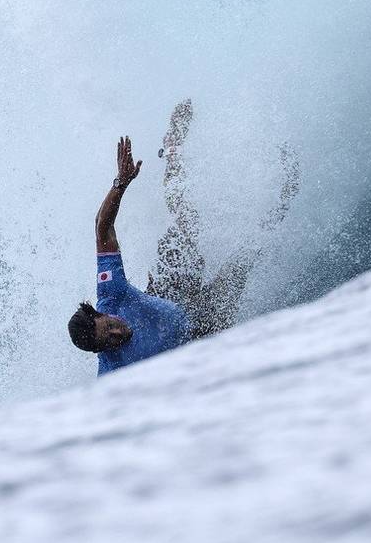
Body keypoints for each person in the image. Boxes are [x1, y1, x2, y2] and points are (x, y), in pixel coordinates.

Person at [67, 103, 300, 374]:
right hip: (200, 333)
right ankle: (283, 201)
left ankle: (173, 149)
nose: (118, 333)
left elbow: (101, 228)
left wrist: (121, 183)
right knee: (242, 264)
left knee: (185, 224)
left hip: (167, 294)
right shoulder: (113, 372)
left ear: (101, 313)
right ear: (100, 352)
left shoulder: (112, 294)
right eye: (109, 342)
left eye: (110, 326)